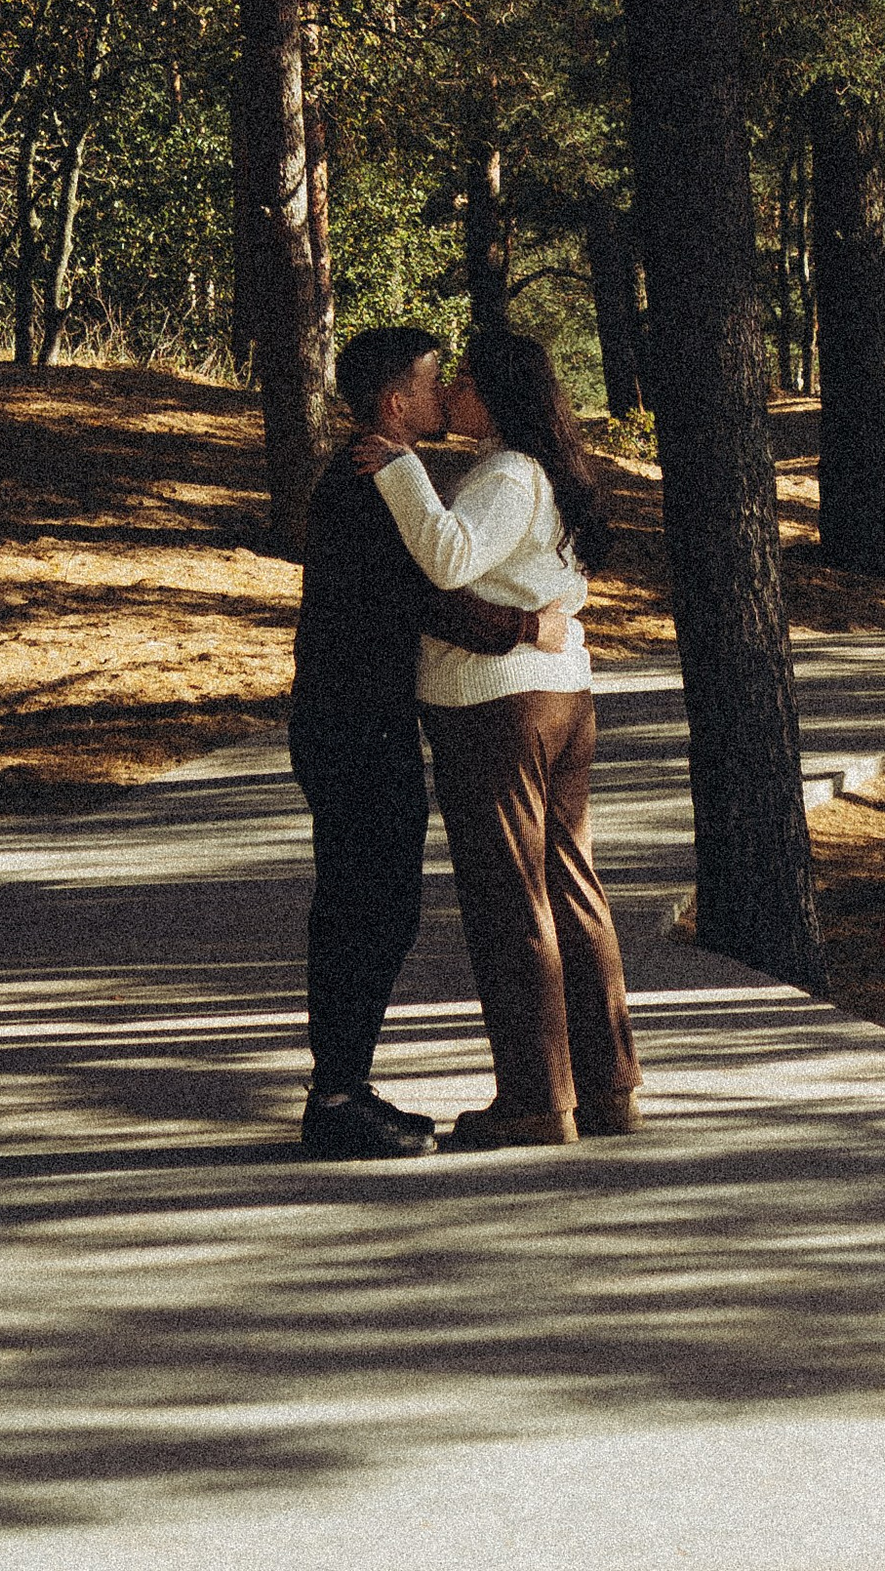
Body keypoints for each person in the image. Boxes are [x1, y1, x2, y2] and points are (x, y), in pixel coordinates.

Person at [289, 322, 576, 1160]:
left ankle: (346, 1084)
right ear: (393, 401)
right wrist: (531, 624)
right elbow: (433, 600)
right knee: (364, 910)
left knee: (378, 908)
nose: (443, 391)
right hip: (351, 727)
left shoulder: (384, 476)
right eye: (431, 379)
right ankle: (334, 1099)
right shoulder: (368, 480)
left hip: (366, 722)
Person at [355, 319, 642, 1151]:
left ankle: (534, 1098)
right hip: (560, 699)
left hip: (497, 707)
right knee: (572, 888)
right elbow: (540, 580)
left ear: (501, 395)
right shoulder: (535, 469)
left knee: (510, 899)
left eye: (465, 382)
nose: (450, 394)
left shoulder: (510, 471)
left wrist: (400, 467)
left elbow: (447, 559)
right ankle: (607, 1086)